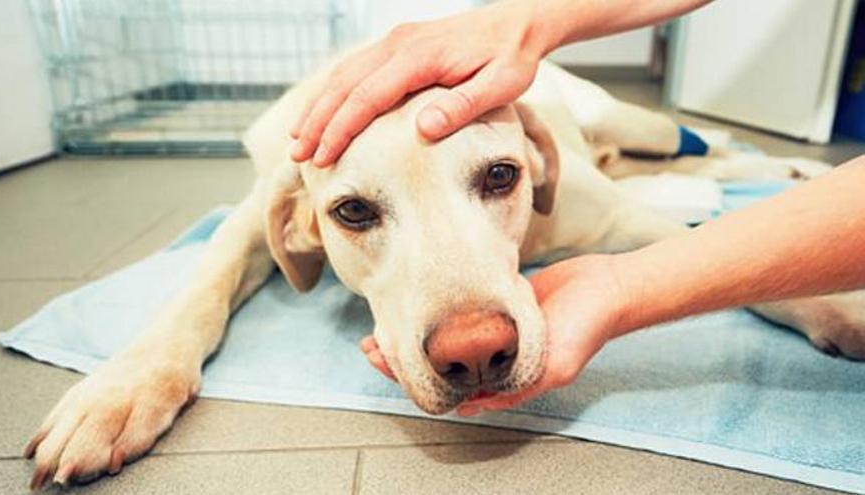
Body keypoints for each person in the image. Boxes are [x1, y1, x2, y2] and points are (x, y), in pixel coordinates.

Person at [290, 0, 865, 415]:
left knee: (650, 134)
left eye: (496, 177)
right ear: (303, 226)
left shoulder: (540, 145)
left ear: (539, 168)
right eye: (358, 213)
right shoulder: (297, 165)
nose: (472, 345)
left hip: (569, 114)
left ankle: (709, 149)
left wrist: (803, 299)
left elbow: (653, 232)